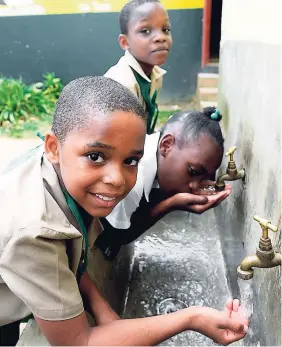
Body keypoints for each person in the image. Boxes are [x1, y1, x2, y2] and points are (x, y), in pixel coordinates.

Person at [0, 78, 248, 346]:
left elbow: (71, 258)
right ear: (53, 148)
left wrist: (101, 307)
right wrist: (192, 318)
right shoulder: (36, 230)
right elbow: (78, 343)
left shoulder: (66, 178)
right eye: (96, 156)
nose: (117, 179)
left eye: (131, 160)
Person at [96, 107, 232, 260]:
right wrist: (171, 204)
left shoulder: (150, 147)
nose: (195, 185)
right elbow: (116, 238)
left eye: (204, 178)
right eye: (193, 171)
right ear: (166, 145)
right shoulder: (130, 181)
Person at [104, 0, 172, 134]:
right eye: (145, 31)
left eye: (166, 30)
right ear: (125, 42)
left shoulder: (155, 75)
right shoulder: (122, 85)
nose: (160, 37)